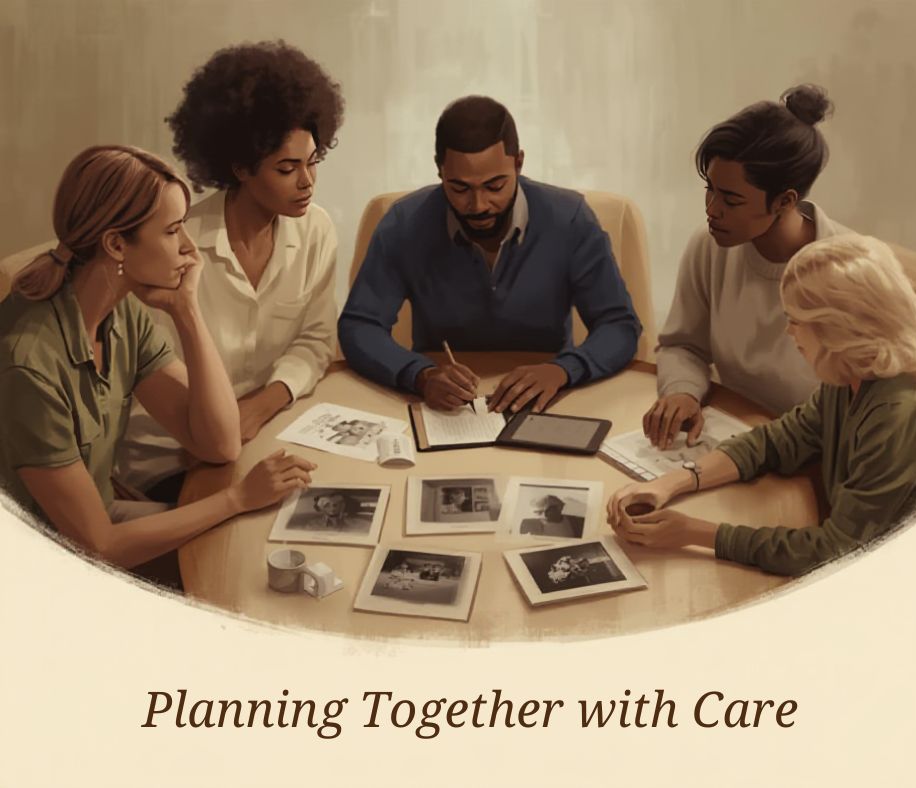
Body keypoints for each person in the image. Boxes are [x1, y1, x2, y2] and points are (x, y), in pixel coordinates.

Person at [0, 146, 315, 576]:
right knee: (235, 570)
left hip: (92, 525)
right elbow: (100, 545)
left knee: (245, 551)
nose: (189, 249)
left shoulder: (119, 311)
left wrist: (186, 312)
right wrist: (236, 498)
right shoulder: (28, 366)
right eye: (172, 232)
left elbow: (218, 443)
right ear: (115, 245)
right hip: (39, 562)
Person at [609, 234, 916, 577]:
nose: (788, 332)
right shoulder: (853, 373)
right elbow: (778, 440)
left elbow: (838, 549)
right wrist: (668, 483)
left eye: (796, 320)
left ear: (837, 329)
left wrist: (694, 532)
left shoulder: (899, 413)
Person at [116, 40, 343, 503]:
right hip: (173, 460)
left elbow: (316, 341)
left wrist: (262, 405)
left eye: (313, 161)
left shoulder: (316, 231)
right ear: (239, 167)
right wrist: (225, 428)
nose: (308, 182)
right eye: (287, 168)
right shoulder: (174, 248)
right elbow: (157, 387)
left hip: (263, 435)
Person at [338, 95, 641, 414]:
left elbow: (619, 325)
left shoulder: (571, 219)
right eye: (459, 188)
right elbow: (360, 326)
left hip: (547, 396)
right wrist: (421, 375)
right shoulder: (404, 225)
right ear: (439, 170)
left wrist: (562, 370)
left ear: (519, 163)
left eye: (495, 186)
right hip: (444, 405)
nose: (479, 205)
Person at [645, 84, 851, 450]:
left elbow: (871, 409)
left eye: (731, 199)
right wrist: (682, 392)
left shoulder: (849, 272)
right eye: (710, 189)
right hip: (730, 437)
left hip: (815, 455)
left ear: (784, 201)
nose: (712, 209)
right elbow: (682, 345)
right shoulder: (709, 247)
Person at [520, 494, 585, 538]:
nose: (544, 515)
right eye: (539, 512)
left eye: (549, 510)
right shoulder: (528, 526)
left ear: (560, 507)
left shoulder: (577, 523)